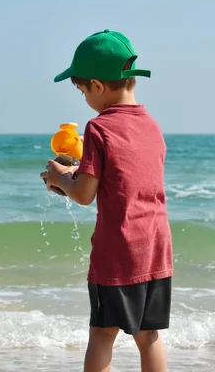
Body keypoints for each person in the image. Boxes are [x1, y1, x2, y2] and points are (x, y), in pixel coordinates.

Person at [40, 29, 173, 372]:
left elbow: (84, 194)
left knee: (102, 333)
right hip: (156, 247)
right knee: (149, 336)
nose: (84, 98)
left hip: (118, 250)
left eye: (83, 90)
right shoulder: (152, 126)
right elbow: (128, 175)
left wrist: (58, 178)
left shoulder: (98, 129)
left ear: (97, 86)